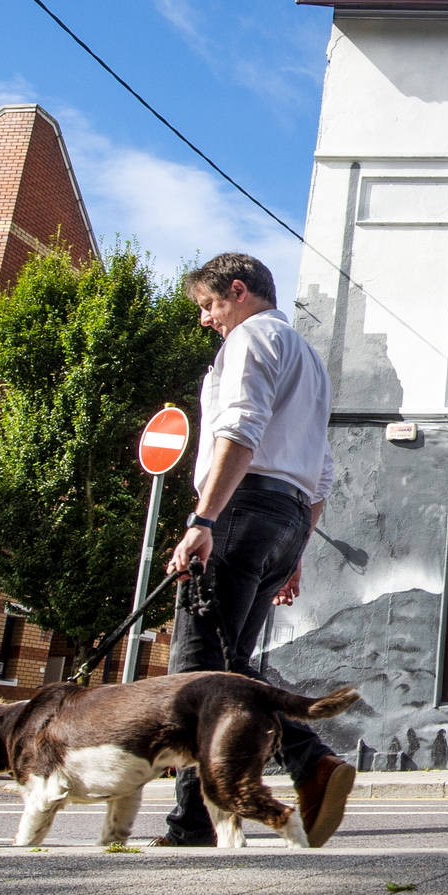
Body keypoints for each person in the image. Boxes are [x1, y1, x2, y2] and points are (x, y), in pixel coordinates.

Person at [158, 253, 355, 848]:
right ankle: (266, 784)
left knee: (198, 674)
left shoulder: (249, 340)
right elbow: (321, 472)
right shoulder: (310, 363)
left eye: (208, 305)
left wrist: (202, 518)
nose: (205, 320)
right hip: (287, 518)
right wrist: (293, 551)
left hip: (242, 511)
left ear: (238, 292)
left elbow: (238, 430)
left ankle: (300, 762)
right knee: (229, 666)